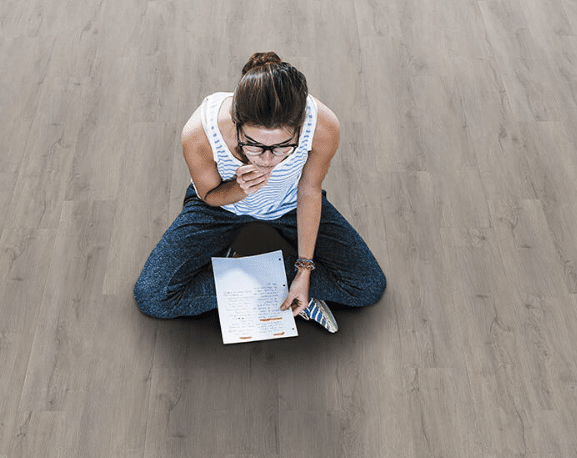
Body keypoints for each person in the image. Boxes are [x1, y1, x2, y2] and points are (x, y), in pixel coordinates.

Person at [134, 52, 387, 333]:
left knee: (368, 286)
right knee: (153, 297)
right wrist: (238, 189)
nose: (267, 160)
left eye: (282, 147)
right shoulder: (199, 132)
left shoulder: (323, 126)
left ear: (300, 127)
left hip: (290, 203)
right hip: (221, 208)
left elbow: (309, 189)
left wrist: (304, 272)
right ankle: (267, 283)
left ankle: (277, 283)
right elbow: (208, 196)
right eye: (252, 145)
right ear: (236, 123)